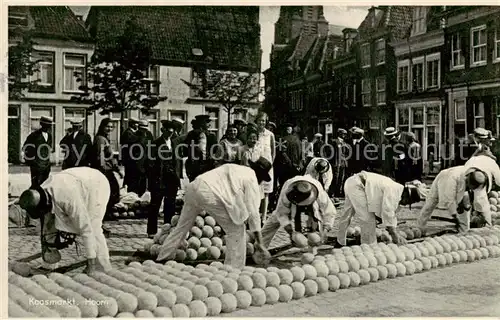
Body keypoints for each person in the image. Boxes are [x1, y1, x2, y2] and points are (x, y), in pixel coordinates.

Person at [156, 157, 273, 269]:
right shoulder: (251, 179)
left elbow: (234, 198)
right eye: (262, 178)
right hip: (208, 194)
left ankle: (162, 257)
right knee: (236, 231)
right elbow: (254, 214)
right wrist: (260, 243)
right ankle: (234, 269)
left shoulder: (236, 168)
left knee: (181, 227)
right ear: (260, 175)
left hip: (193, 187)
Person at [17, 167, 112, 274]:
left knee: (94, 226)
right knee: (48, 223)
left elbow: (86, 229)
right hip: (75, 180)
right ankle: (49, 264)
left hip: (96, 184)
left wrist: (91, 264)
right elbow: (46, 225)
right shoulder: (41, 193)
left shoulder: (68, 199)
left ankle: (101, 264)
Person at [336, 171, 418, 246]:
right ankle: (369, 247)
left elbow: (384, 210)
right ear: (406, 195)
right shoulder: (394, 191)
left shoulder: (397, 190)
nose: (406, 204)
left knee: (347, 215)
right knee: (367, 219)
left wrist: (386, 224)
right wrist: (394, 234)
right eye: (407, 201)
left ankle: (340, 242)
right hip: (358, 185)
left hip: (353, 182)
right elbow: (388, 211)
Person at [261, 175, 336, 248]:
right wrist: (290, 232)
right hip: (289, 203)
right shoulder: (288, 191)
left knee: (314, 234)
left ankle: (312, 238)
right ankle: (260, 247)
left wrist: (325, 231)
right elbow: (281, 213)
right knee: (275, 219)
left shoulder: (318, 191)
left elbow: (329, 211)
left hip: (312, 205)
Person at [417, 165, 494, 234]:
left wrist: (487, 221)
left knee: (465, 207)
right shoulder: (451, 178)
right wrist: (454, 214)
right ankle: (420, 228)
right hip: (444, 178)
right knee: (431, 203)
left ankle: (464, 231)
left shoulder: (478, 178)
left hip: (461, 185)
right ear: (469, 182)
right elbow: (449, 198)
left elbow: (482, 201)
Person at [147, 120, 181, 237]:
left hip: (172, 179)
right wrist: (152, 180)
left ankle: (167, 229)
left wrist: (178, 176)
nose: (170, 134)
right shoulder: (155, 144)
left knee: (170, 205)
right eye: (168, 131)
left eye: (172, 132)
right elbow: (150, 163)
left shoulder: (174, 143)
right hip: (159, 179)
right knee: (155, 205)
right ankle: (151, 231)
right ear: (162, 130)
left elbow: (177, 161)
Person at [89, 118, 122, 219]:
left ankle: (107, 212)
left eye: (111, 127)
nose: (109, 129)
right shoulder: (100, 139)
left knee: (113, 191)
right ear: (102, 126)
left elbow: (110, 157)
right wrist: (102, 170)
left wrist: (117, 169)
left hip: (108, 169)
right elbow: (100, 155)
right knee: (111, 191)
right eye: (107, 126)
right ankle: (105, 213)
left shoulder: (105, 138)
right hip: (103, 170)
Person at [254, 112, 276, 223]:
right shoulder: (253, 133)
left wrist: (270, 164)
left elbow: (273, 152)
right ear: (256, 121)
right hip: (256, 167)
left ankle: (263, 217)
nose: (261, 123)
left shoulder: (270, 135)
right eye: (259, 120)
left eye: (263, 121)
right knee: (256, 191)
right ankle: (256, 216)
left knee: (266, 192)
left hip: (267, 167)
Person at [23, 116, 54, 188]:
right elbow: (26, 148)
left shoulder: (49, 136)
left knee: (45, 186)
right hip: (36, 166)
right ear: (41, 124)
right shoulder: (34, 135)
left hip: (46, 166)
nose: (48, 127)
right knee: (36, 186)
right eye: (46, 125)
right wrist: (32, 162)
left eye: (49, 125)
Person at [185, 115, 217, 182]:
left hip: (208, 164)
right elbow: (187, 148)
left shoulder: (211, 136)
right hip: (194, 164)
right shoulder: (192, 134)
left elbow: (215, 149)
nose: (209, 125)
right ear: (202, 123)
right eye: (207, 122)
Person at [133, 120, 154, 197]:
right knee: (138, 180)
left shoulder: (149, 135)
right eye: (142, 128)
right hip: (138, 162)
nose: (144, 130)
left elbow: (152, 146)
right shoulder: (135, 136)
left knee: (146, 180)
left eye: (145, 128)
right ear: (139, 128)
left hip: (148, 161)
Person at [120, 118, 140, 192]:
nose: (137, 125)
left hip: (130, 158)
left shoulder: (130, 132)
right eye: (136, 123)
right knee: (131, 176)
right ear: (132, 124)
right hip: (130, 159)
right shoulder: (128, 133)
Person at [331, 128, 349, 200]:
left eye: (345, 134)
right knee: (336, 177)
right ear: (339, 134)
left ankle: (338, 192)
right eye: (343, 134)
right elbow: (335, 153)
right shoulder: (335, 141)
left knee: (341, 177)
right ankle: (333, 192)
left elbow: (345, 153)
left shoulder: (344, 142)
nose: (344, 135)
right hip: (337, 162)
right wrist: (335, 163)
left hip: (342, 162)